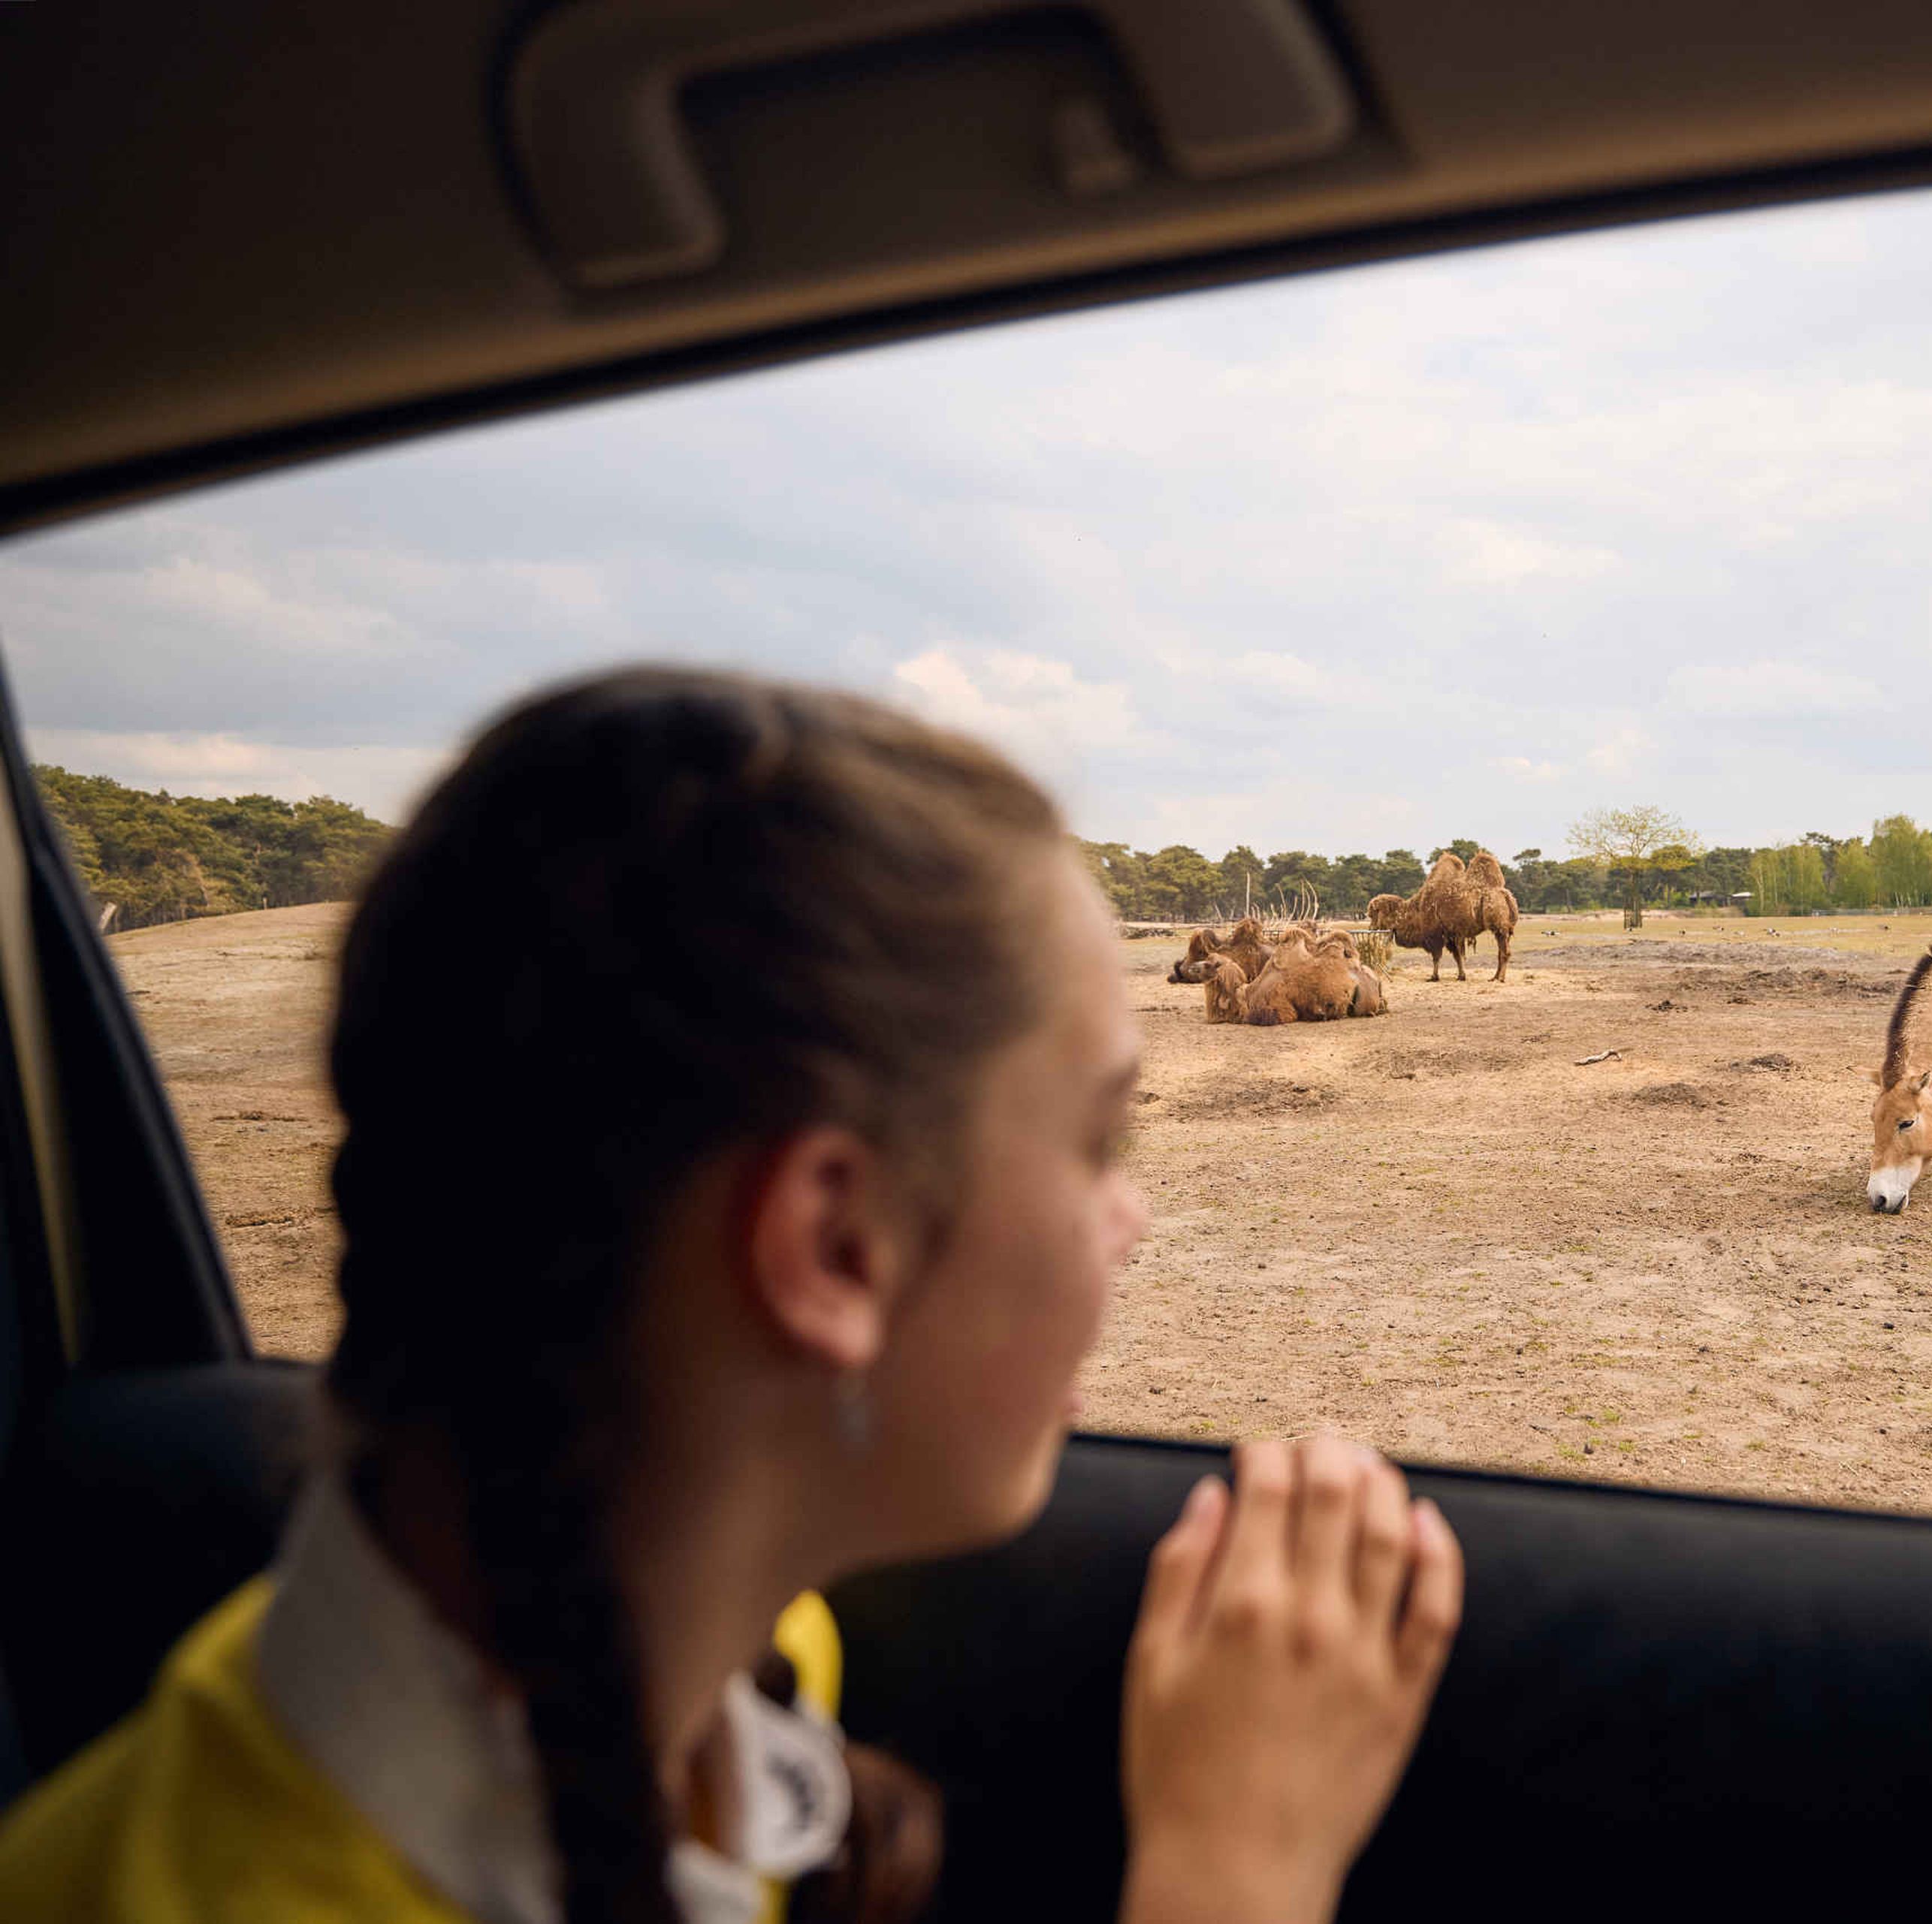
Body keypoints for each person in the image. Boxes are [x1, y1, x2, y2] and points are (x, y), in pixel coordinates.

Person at [0, 669, 1463, 1924]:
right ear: (833, 1248)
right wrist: (1231, 1870)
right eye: (1098, 1141)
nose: (1127, 1218)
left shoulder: (734, 1658)